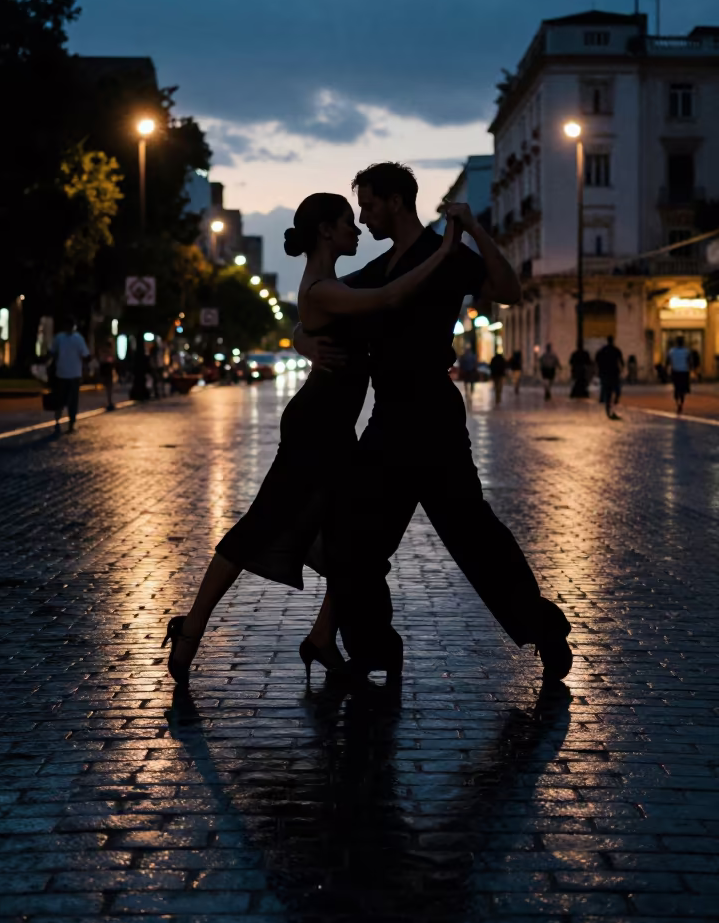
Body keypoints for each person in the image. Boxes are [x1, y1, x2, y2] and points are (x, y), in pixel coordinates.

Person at [162, 191, 457, 685]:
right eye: (347, 222)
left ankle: (322, 637)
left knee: (353, 540)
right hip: (313, 429)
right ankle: (192, 626)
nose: (356, 230)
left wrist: (301, 337)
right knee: (260, 526)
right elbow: (386, 298)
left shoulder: (331, 285)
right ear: (326, 231)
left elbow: (322, 321)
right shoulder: (321, 287)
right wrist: (445, 253)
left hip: (338, 431)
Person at [299, 163, 573, 684]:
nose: (364, 216)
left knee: (475, 534)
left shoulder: (444, 257)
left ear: (397, 202)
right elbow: (315, 304)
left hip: (433, 416)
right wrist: (302, 340)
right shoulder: (380, 269)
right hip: (388, 417)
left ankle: (543, 630)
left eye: (370, 205)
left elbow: (510, 289)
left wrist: (472, 227)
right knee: (356, 537)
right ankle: (374, 645)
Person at [49, 316, 89, 434]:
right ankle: (65, 422)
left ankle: (63, 422)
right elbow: (85, 355)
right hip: (69, 374)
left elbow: (52, 353)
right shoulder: (75, 338)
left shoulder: (62, 338)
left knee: (63, 400)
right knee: (68, 400)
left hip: (67, 374)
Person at [595, 336, 624, 420]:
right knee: (616, 390)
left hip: (606, 373)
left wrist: (599, 369)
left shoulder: (603, 350)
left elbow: (597, 360)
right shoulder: (615, 350)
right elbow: (621, 361)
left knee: (608, 392)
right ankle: (613, 405)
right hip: (613, 373)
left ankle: (609, 410)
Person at [666, 335, 691, 413]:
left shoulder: (672, 351)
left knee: (676, 388)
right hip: (684, 371)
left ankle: (677, 403)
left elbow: (667, 361)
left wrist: (667, 368)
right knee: (683, 389)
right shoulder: (686, 351)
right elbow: (689, 361)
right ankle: (681, 403)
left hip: (675, 371)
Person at [97, 338, 116, 411]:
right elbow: (111, 360)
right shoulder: (109, 352)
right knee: (109, 387)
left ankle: (108, 402)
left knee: (107, 387)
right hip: (107, 369)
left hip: (105, 369)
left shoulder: (103, 352)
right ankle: (109, 402)